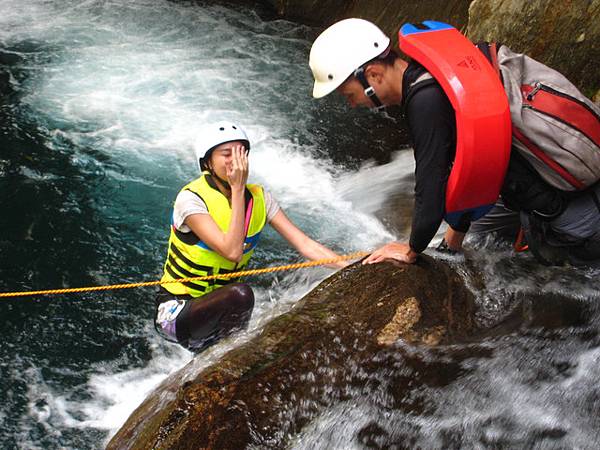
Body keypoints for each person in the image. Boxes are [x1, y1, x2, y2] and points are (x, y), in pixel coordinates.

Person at [308, 18, 600, 266]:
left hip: (571, 210)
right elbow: (468, 165)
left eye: (350, 95)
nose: (353, 104)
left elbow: (431, 186)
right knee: (474, 242)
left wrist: (411, 250)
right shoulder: (435, 75)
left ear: (373, 75)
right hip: (543, 182)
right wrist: (452, 244)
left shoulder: (425, 102)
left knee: (573, 270)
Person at [155, 121, 347, 352]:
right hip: (175, 311)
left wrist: (352, 266)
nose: (235, 161)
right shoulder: (191, 199)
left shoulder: (260, 198)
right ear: (207, 162)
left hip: (220, 308)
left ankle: (217, 353)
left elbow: (305, 244)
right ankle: (213, 352)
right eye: (226, 154)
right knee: (241, 294)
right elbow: (232, 251)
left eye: (240, 153)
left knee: (238, 298)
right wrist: (237, 189)